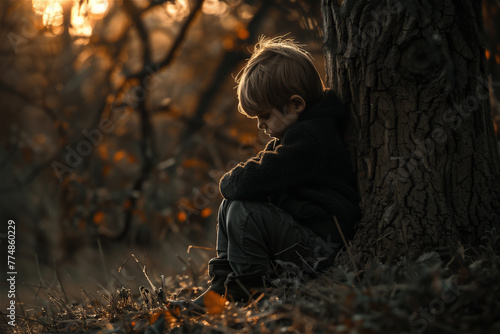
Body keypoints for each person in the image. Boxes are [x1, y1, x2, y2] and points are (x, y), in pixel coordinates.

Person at [171, 36, 361, 312]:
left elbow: (254, 178)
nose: (261, 125)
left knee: (242, 212)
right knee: (230, 206)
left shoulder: (312, 140)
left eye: (265, 116)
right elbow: (257, 175)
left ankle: (252, 292)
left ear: (296, 105)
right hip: (307, 240)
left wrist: (228, 180)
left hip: (323, 249)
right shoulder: (297, 135)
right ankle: (222, 290)